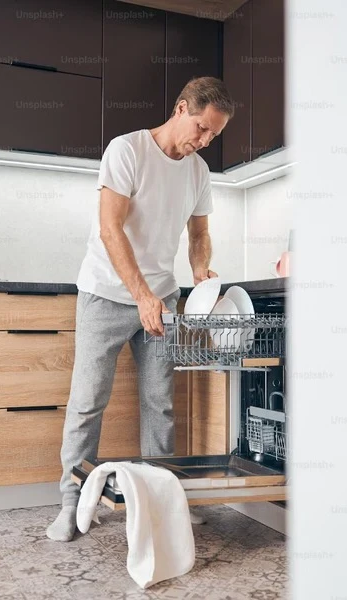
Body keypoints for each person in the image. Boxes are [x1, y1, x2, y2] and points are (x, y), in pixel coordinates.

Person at [46, 76, 235, 542]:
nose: (203, 140)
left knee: (159, 403)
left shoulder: (198, 171)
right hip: (107, 293)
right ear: (180, 108)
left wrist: (200, 269)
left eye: (213, 135)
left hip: (162, 298)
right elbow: (111, 229)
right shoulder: (127, 150)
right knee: (89, 401)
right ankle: (71, 503)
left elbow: (198, 234)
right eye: (200, 127)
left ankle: (162, 499)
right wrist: (142, 295)